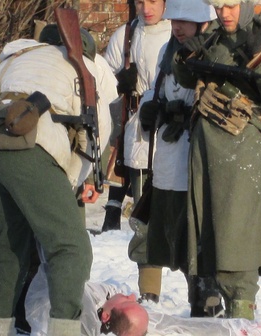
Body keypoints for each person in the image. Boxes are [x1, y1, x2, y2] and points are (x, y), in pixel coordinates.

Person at [0, 25, 117, 336]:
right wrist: (74, 182)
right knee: (70, 245)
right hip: (28, 144)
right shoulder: (80, 65)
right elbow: (97, 132)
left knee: (8, 243)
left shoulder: (14, 58)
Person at [171, 0, 261, 320]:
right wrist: (186, 55)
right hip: (204, 150)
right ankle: (218, 302)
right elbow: (184, 78)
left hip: (245, 150)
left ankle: (242, 309)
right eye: (218, 6)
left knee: (238, 230)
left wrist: (259, 57)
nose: (224, 13)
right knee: (209, 228)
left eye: (231, 6)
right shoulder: (211, 37)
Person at [136, 0, 223, 317]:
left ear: (201, 22)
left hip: (198, 154)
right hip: (168, 158)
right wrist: (152, 107)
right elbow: (157, 89)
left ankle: (207, 296)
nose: (178, 26)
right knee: (171, 229)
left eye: (186, 21)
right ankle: (184, 295)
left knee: (199, 231)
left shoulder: (214, 51)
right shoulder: (166, 51)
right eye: (175, 19)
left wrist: (187, 113)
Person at [25, 266, 261, 336]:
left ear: (105, 314)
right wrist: (244, 329)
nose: (132, 295)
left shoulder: (82, 313)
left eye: (127, 300)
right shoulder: (109, 316)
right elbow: (181, 325)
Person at [103, 0, 172, 303]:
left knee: (186, 215)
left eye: (154, 1)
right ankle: (150, 290)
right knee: (145, 215)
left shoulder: (179, 34)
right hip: (140, 136)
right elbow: (102, 83)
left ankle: (201, 292)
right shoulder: (126, 36)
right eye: (141, 1)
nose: (147, 8)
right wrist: (119, 83)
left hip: (174, 132)